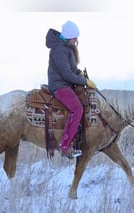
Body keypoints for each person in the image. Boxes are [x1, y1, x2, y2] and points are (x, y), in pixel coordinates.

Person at [46, 20, 97, 158]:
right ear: (69, 37)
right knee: (78, 109)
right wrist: (84, 81)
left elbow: (72, 69)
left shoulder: (66, 48)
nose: (76, 40)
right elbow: (67, 75)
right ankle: (65, 146)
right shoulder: (59, 50)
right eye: (74, 37)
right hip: (59, 85)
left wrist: (80, 73)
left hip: (66, 83)